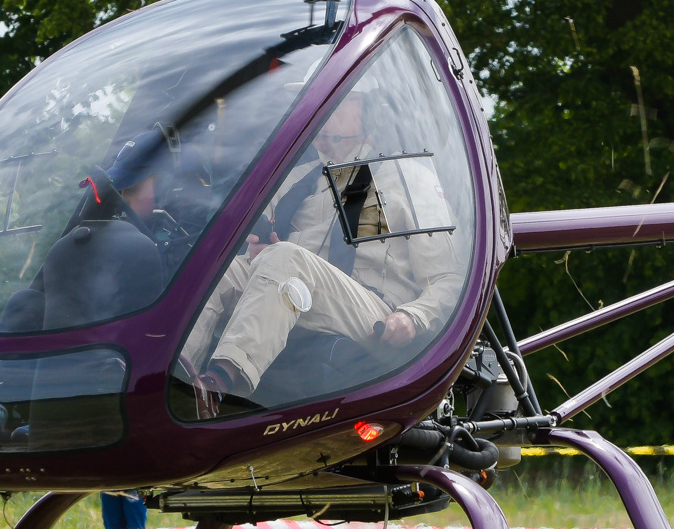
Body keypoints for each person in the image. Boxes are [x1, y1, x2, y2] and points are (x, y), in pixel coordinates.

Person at [180, 90, 462, 409]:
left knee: (285, 258)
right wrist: (255, 248)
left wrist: (414, 317)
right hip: (288, 288)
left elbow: (447, 279)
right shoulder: (294, 180)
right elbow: (263, 251)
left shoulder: (408, 177)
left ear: (373, 113)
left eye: (337, 102)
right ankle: (170, 378)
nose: (320, 111)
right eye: (315, 102)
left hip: (371, 309)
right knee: (216, 270)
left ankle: (218, 385)